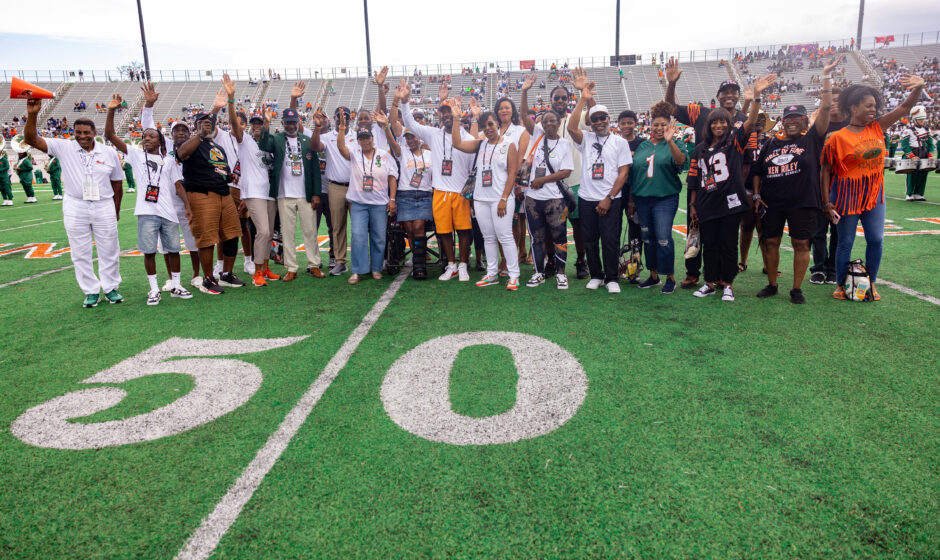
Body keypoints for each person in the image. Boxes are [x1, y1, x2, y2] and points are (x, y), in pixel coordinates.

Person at [822, 75, 926, 301]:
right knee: (845, 242)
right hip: (846, 196)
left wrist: (918, 87)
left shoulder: (878, 127)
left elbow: (905, 107)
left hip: (874, 195)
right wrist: (826, 202)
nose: (873, 110)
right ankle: (841, 284)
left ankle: (871, 283)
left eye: (875, 106)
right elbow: (826, 171)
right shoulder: (836, 138)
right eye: (868, 106)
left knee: (876, 239)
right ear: (853, 107)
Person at [752, 58, 839, 304]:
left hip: (803, 202)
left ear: (804, 120)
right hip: (772, 202)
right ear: (782, 121)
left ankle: (796, 289)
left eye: (797, 118)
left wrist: (825, 78)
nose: (792, 122)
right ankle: (772, 284)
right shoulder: (770, 143)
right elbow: (758, 170)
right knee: (770, 242)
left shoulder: (811, 139)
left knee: (802, 243)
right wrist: (757, 196)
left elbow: (824, 110)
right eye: (788, 119)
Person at [23, 98, 125, 308]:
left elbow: (117, 184)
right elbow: (32, 139)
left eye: (86, 133)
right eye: (78, 133)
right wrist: (32, 114)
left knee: (110, 249)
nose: (82, 137)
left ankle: (110, 288)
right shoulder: (63, 147)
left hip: (103, 204)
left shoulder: (108, 152)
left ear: (94, 132)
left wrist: (116, 209)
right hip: (75, 204)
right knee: (80, 251)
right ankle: (90, 291)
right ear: (73, 133)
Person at [665, 58, 754, 289]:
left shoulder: (744, 123)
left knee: (725, 238)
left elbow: (748, 160)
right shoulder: (701, 112)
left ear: (738, 97)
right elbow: (672, 108)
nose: (730, 95)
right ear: (719, 95)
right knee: (696, 228)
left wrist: (736, 185)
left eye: (734, 92)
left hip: (729, 188)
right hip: (701, 182)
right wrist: (672, 84)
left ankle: (724, 278)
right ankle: (693, 272)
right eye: (725, 92)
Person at [687, 74, 775, 302]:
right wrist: (694, 203)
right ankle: (709, 282)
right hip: (707, 202)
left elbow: (749, 120)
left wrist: (755, 97)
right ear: (709, 125)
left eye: (722, 122)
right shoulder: (700, 149)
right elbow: (695, 178)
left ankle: (727, 283)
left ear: (729, 125)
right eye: (714, 122)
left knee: (728, 244)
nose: (718, 125)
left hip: (730, 201)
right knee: (710, 244)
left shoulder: (735, 141)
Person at [105, 93, 193, 305]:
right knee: (149, 252)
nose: (146, 139)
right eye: (144, 136)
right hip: (146, 212)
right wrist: (111, 111)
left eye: (151, 136)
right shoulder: (134, 155)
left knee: (174, 250)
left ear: (160, 141)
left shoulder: (169, 161)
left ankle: (176, 285)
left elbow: (178, 185)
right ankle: (153, 289)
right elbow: (109, 134)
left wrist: (188, 207)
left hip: (168, 212)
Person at [397, 78, 477, 282]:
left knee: (464, 231)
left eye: (450, 111)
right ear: (440, 115)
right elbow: (409, 123)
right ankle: (451, 265)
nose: (447, 115)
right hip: (440, 190)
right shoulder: (433, 134)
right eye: (444, 112)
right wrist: (405, 102)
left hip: (460, 191)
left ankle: (463, 265)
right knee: (444, 232)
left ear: (456, 113)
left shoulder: (466, 137)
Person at [567, 69, 632, 293]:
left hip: (610, 199)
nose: (599, 122)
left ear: (608, 119)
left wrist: (609, 197)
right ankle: (596, 274)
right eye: (594, 119)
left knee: (610, 239)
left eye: (602, 118)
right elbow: (571, 127)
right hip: (587, 197)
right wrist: (582, 99)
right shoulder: (586, 138)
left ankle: (612, 277)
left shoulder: (619, 142)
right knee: (590, 240)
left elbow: (623, 173)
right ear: (591, 122)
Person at [521, 75, 591, 279]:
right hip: (548, 190)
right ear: (550, 101)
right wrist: (524, 91)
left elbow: (593, 115)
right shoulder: (543, 127)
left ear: (568, 101)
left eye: (563, 98)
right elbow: (525, 116)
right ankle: (551, 260)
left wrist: (583, 93)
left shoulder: (575, 117)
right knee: (551, 228)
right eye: (556, 98)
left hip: (574, 182)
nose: (560, 101)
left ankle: (580, 260)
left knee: (577, 226)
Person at [448, 99, 521, 290]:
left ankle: (514, 275)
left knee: (504, 236)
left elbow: (513, 173)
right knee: (488, 237)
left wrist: (504, 198)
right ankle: (492, 273)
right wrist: (456, 118)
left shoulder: (509, 144)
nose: (487, 128)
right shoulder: (480, 144)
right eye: (484, 126)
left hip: (501, 198)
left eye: (490, 124)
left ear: (497, 123)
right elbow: (456, 143)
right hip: (481, 199)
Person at [138, 81, 203, 290]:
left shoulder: (194, 147)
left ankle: (196, 275)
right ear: (171, 134)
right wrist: (148, 105)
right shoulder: (164, 149)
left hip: (188, 198)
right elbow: (148, 125)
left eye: (185, 130)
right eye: (177, 130)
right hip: (164, 200)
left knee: (193, 240)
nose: (181, 133)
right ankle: (170, 278)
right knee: (165, 244)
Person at [175, 111, 244, 295]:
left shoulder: (216, 147)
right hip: (202, 193)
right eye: (203, 123)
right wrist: (199, 134)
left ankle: (226, 274)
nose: (208, 126)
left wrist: (229, 174)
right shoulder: (190, 143)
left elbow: (221, 167)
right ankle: (207, 279)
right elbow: (181, 154)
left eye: (210, 123)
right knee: (206, 238)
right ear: (196, 126)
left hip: (223, 192)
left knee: (232, 234)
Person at [222, 75, 281, 287]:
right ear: (247, 127)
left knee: (268, 233)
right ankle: (257, 272)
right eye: (253, 124)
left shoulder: (269, 143)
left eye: (259, 124)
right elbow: (235, 127)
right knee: (263, 231)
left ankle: (265, 268)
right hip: (254, 193)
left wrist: (267, 121)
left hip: (268, 194)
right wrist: (231, 99)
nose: (256, 127)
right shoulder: (245, 141)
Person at [255, 103, 322, 282]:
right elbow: (262, 144)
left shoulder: (306, 140)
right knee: (288, 233)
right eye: (287, 123)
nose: (291, 126)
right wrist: (266, 123)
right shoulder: (276, 138)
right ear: (283, 123)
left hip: (305, 194)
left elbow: (315, 168)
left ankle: (314, 264)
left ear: (298, 121)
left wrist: (316, 193)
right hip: (284, 194)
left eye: (293, 122)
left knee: (310, 231)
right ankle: (291, 267)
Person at [628, 102, 686, 294]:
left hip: (665, 198)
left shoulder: (675, 143)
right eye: (656, 125)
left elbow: (680, 162)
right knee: (648, 239)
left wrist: (670, 141)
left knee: (663, 238)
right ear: (650, 125)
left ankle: (669, 277)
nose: (660, 128)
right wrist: (632, 201)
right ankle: (653, 276)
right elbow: (635, 173)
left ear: (669, 125)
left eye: (663, 125)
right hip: (643, 199)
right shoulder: (643, 145)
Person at [334, 115, 397, 284]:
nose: (365, 141)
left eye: (367, 137)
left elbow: (392, 177)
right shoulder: (354, 153)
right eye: (361, 138)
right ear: (358, 140)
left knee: (379, 237)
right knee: (358, 236)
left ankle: (376, 268)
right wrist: (341, 129)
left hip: (379, 203)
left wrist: (392, 199)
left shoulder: (384, 155)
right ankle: (358, 270)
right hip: (359, 203)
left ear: (372, 138)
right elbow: (341, 147)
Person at [521, 109, 573, 289]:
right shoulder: (537, 136)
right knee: (537, 238)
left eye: (552, 121)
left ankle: (561, 274)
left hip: (555, 199)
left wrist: (542, 180)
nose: (548, 124)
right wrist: (525, 90)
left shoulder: (565, 144)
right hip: (533, 199)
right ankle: (539, 273)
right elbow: (524, 115)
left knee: (559, 237)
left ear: (559, 123)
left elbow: (566, 171)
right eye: (545, 122)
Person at [311, 105, 356, 276]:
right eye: (338, 116)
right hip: (335, 186)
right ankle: (340, 261)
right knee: (337, 226)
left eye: (345, 116)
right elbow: (315, 147)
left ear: (350, 119)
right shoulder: (327, 136)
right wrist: (317, 127)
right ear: (334, 118)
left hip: (355, 185)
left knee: (358, 226)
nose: (342, 118)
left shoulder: (357, 136)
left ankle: (360, 261)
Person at [389, 127, 433, 280]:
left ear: (419, 138)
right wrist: (386, 127)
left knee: (418, 225)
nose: (411, 141)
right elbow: (392, 143)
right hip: (405, 195)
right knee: (409, 228)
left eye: (413, 137)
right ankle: (418, 260)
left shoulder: (430, 155)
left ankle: (419, 265)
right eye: (407, 138)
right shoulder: (403, 152)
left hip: (425, 195)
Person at [617, 109, 645, 280]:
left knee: (636, 232)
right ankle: (614, 266)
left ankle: (634, 270)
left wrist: (632, 199)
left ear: (636, 123)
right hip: (615, 191)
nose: (627, 126)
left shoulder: (642, 144)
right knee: (612, 229)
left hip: (635, 192)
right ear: (618, 125)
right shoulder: (614, 142)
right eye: (623, 123)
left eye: (630, 122)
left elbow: (640, 171)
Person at [900, 105, 935, 201]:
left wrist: (930, 154)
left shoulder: (927, 130)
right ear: (914, 120)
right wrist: (911, 155)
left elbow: (930, 144)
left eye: (923, 119)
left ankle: (918, 193)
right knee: (911, 174)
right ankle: (909, 194)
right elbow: (904, 144)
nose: (922, 121)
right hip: (913, 154)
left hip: (923, 153)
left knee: (923, 174)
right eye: (920, 120)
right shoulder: (908, 130)